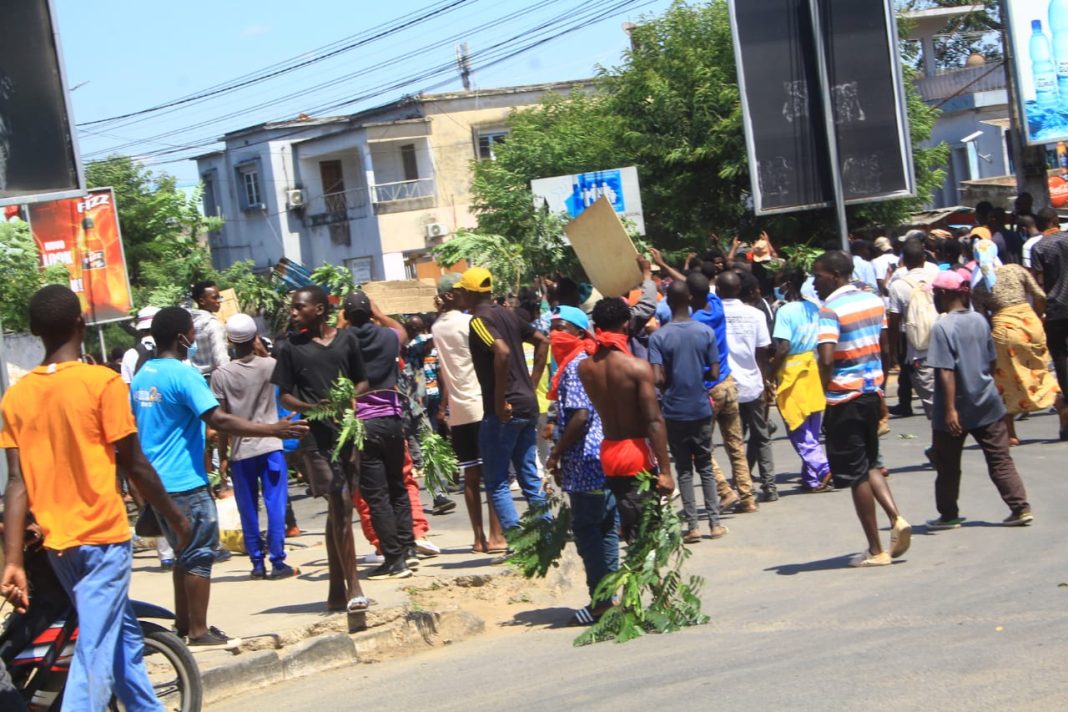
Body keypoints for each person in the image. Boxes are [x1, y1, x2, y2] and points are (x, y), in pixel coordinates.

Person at [1, 285, 191, 711]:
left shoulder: (17, 396)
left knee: (121, 637)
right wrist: (174, 517)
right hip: (102, 539)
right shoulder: (101, 383)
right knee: (95, 653)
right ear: (81, 323)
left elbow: (17, 483)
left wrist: (12, 560)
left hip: (58, 546)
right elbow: (135, 464)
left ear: (34, 330)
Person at [132, 307, 306, 646]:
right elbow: (218, 419)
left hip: (156, 482)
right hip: (185, 482)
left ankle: (184, 627)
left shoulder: (143, 375)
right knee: (198, 556)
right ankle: (198, 631)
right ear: (181, 337)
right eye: (191, 333)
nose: (195, 338)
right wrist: (272, 429)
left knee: (183, 555)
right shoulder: (184, 375)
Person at [271, 287, 378, 609]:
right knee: (340, 502)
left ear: (318, 309)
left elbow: (363, 380)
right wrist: (311, 408)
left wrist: (349, 399)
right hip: (315, 439)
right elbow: (284, 395)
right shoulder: (291, 348)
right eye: (292, 308)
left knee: (340, 510)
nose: (293, 313)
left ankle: (335, 589)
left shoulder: (346, 341)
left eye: (298, 307)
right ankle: (354, 588)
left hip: (346, 433)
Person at [814, 251, 911, 567]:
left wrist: (824, 388)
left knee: (856, 476)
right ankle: (896, 518)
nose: (814, 282)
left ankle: (875, 549)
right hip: (872, 392)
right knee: (870, 463)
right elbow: (884, 346)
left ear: (834, 275)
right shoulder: (872, 300)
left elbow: (826, 358)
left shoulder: (830, 310)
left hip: (845, 398)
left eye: (818, 276)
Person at [924, 270, 1034, 529]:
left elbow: (946, 371)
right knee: (1000, 459)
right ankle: (1020, 508)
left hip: (954, 409)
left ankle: (948, 515)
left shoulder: (943, 327)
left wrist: (950, 410)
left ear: (942, 294)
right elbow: (991, 360)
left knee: (947, 465)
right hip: (987, 403)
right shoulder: (980, 320)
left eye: (934, 294)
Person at [543, 306, 619, 625]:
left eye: (561, 328)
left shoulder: (575, 365)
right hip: (601, 456)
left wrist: (556, 454)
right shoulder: (585, 361)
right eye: (551, 328)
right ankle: (611, 595)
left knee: (589, 532)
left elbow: (580, 416)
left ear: (578, 332)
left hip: (586, 460)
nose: (554, 334)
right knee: (606, 527)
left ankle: (601, 602)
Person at [578, 298, 674, 542]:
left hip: (609, 452)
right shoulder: (637, 368)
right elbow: (654, 421)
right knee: (646, 535)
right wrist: (665, 471)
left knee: (627, 528)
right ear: (626, 324)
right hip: (637, 454)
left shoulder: (585, 368)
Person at [463, 267, 550, 532]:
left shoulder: (479, 321)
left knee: (497, 481)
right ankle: (547, 537)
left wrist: (500, 400)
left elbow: (501, 352)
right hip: (526, 404)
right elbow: (543, 341)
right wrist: (531, 384)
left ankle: (517, 541)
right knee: (529, 477)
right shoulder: (508, 314)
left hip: (504, 411)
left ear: (468, 293)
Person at [211, 313, 295, 580]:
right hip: (271, 445)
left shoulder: (221, 375)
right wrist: (262, 350)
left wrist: (223, 455)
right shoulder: (271, 365)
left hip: (240, 451)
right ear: (255, 337)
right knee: (275, 506)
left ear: (229, 341)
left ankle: (257, 563)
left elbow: (222, 421)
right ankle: (278, 561)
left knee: (248, 509)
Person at [341, 291, 419, 579]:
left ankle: (394, 559)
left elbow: (331, 341)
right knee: (397, 485)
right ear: (371, 312)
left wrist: (341, 322)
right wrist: (380, 314)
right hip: (393, 419)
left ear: (346, 315)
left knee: (377, 495)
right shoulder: (387, 336)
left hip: (364, 422)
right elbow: (402, 331)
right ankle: (408, 549)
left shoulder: (343, 340)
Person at [432, 274, 507, 553]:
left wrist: (443, 406)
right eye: (463, 290)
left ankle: (478, 538)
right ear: (452, 295)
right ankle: (497, 536)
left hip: (459, 409)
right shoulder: (469, 322)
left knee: (471, 476)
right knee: (493, 475)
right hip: (480, 402)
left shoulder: (437, 326)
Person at [648, 281, 726, 542]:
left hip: (674, 409)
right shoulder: (705, 332)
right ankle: (715, 524)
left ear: (668, 302)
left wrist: (671, 380)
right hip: (701, 407)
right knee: (705, 465)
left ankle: (692, 526)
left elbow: (657, 378)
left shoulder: (659, 337)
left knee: (683, 468)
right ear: (690, 299)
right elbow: (714, 372)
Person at [688, 271, 759, 513]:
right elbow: (700, 287)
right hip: (728, 383)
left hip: (708, 388)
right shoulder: (717, 307)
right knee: (736, 444)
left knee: (700, 446)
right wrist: (664, 265)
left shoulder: (695, 322)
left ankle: (724, 490)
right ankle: (748, 497)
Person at [971, 262, 1059, 445]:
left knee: (1006, 380)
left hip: (1005, 329)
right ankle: (1061, 406)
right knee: (1041, 371)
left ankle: (1011, 434)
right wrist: (1037, 316)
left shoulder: (979, 287)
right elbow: (1040, 295)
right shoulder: (1016, 269)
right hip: (1030, 323)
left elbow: (982, 319)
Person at [769, 267, 832, 493]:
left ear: (787, 285)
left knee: (796, 426)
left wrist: (770, 372)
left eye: (779, 283)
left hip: (792, 372)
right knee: (811, 426)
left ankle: (823, 467)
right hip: (812, 368)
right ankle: (811, 479)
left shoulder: (785, 311)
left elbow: (783, 346)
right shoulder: (813, 307)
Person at [719, 271, 777, 501]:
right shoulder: (755, 314)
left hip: (727, 385)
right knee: (761, 436)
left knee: (735, 441)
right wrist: (765, 380)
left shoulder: (713, 315)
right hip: (753, 383)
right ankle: (769, 486)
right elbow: (762, 352)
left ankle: (744, 489)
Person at [887, 238, 937, 420]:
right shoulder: (937, 275)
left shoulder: (898, 285)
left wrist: (893, 352)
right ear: (924, 258)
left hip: (916, 344)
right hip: (941, 338)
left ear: (904, 261)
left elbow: (894, 321)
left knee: (931, 399)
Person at [1029, 208, 1068, 438]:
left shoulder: (1039, 248)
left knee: (1060, 358)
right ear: (1055, 221)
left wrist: (1038, 314)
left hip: (1055, 310)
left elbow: (1038, 285)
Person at [189, 280, 230, 377]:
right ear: (202, 301)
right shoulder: (212, 324)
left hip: (195, 377)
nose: (219, 301)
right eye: (215, 298)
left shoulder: (191, 322)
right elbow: (221, 360)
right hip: (212, 378)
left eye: (219, 297)